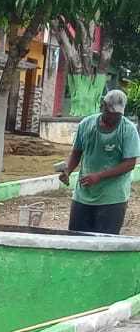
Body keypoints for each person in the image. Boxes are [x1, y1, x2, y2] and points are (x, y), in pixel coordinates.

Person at [58, 89, 139, 235]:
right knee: (76, 240)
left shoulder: (128, 130)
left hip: (113, 198)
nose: (114, 118)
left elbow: (130, 163)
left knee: (104, 243)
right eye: (110, 113)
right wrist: (68, 170)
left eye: (118, 115)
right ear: (103, 106)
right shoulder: (86, 125)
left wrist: (99, 176)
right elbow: (77, 152)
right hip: (83, 195)